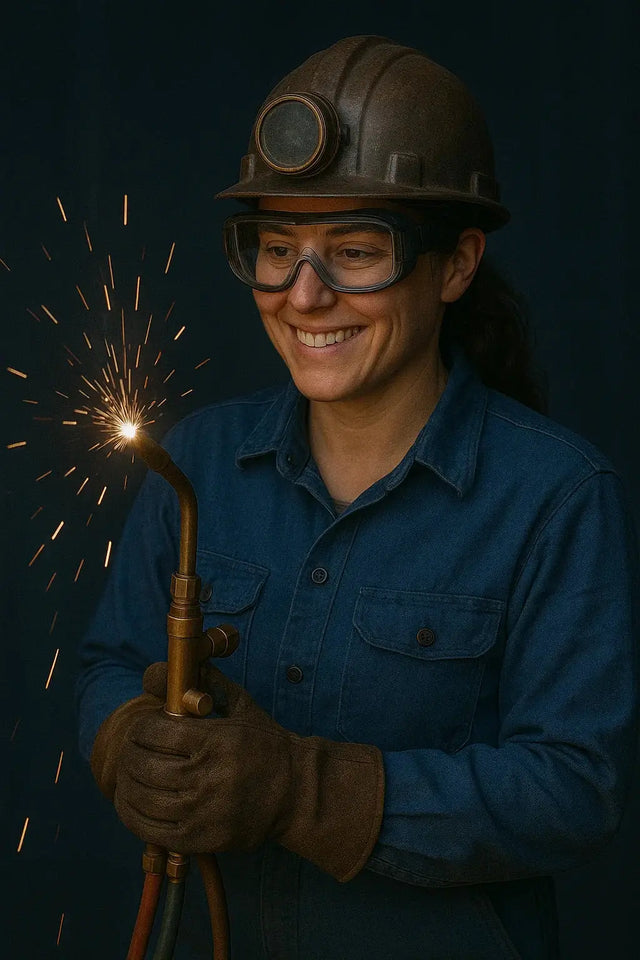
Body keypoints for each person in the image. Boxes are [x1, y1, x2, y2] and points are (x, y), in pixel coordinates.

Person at [77, 35, 639, 960]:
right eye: (276, 249)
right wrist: (127, 739)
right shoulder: (197, 461)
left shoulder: (557, 496)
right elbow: (110, 663)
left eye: (355, 250)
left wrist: (301, 792)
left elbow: (577, 790)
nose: (304, 295)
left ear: (457, 264)